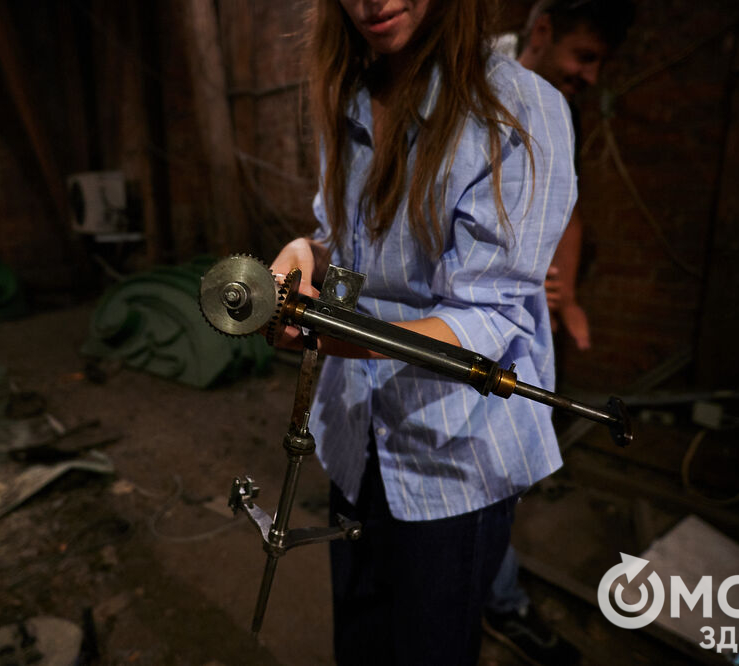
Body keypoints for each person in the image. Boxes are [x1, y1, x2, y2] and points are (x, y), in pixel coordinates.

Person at [269, 1, 576, 663]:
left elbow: (488, 314)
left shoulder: (518, 110)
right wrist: (304, 253)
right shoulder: (351, 91)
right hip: (353, 437)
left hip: (452, 456)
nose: (372, 3)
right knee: (359, 643)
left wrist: (334, 335)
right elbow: (345, 245)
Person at [482, 1, 635, 663]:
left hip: (515, 331)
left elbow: (566, 211)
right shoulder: (472, 84)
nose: (591, 76)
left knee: (499, 479)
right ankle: (491, 601)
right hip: (461, 325)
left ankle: (495, 597)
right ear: (542, 32)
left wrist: (565, 296)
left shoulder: (558, 112)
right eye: (584, 56)